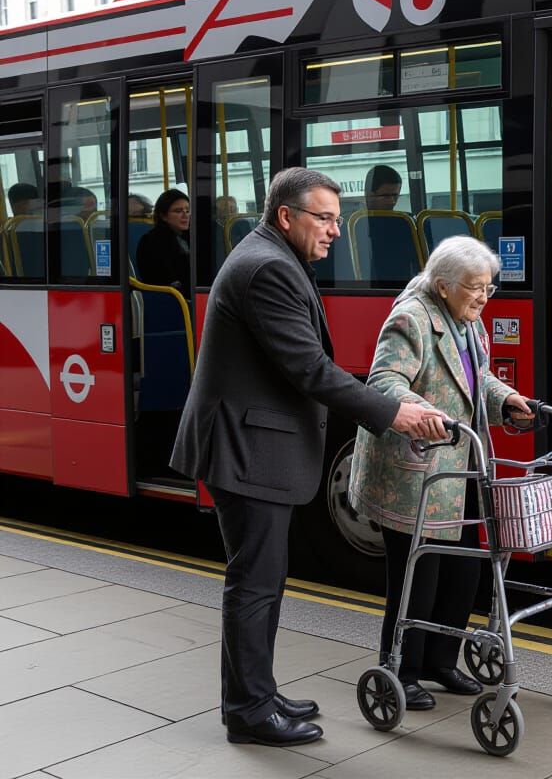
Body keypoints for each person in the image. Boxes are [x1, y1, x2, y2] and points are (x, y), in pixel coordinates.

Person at [170, 167, 448, 747]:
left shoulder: (272, 256)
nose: (335, 231)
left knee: (263, 578)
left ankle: (258, 691)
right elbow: (307, 368)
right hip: (246, 448)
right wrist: (391, 411)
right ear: (286, 216)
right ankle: (248, 711)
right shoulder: (268, 267)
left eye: (337, 219)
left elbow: (304, 366)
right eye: (323, 219)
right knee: (255, 581)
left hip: (251, 443)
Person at [348, 235, 533, 710]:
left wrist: (505, 400)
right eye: (476, 287)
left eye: (489, 287)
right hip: (417, 470)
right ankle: (401, 669)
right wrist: (423, 409)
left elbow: (478, 378)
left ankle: (440, 662)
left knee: (464, 573)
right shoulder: (412, 317)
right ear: (444, 284)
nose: (485, 296)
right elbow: (384, 382)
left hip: (462, 470)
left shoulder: (467, 318)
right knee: (418, 576)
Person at [136, 189, 192, 295]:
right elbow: (160, 280)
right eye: (178, 211)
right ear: (163, 216)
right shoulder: (150, 242)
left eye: (187, 211)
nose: (185, 216)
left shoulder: (192, 237)